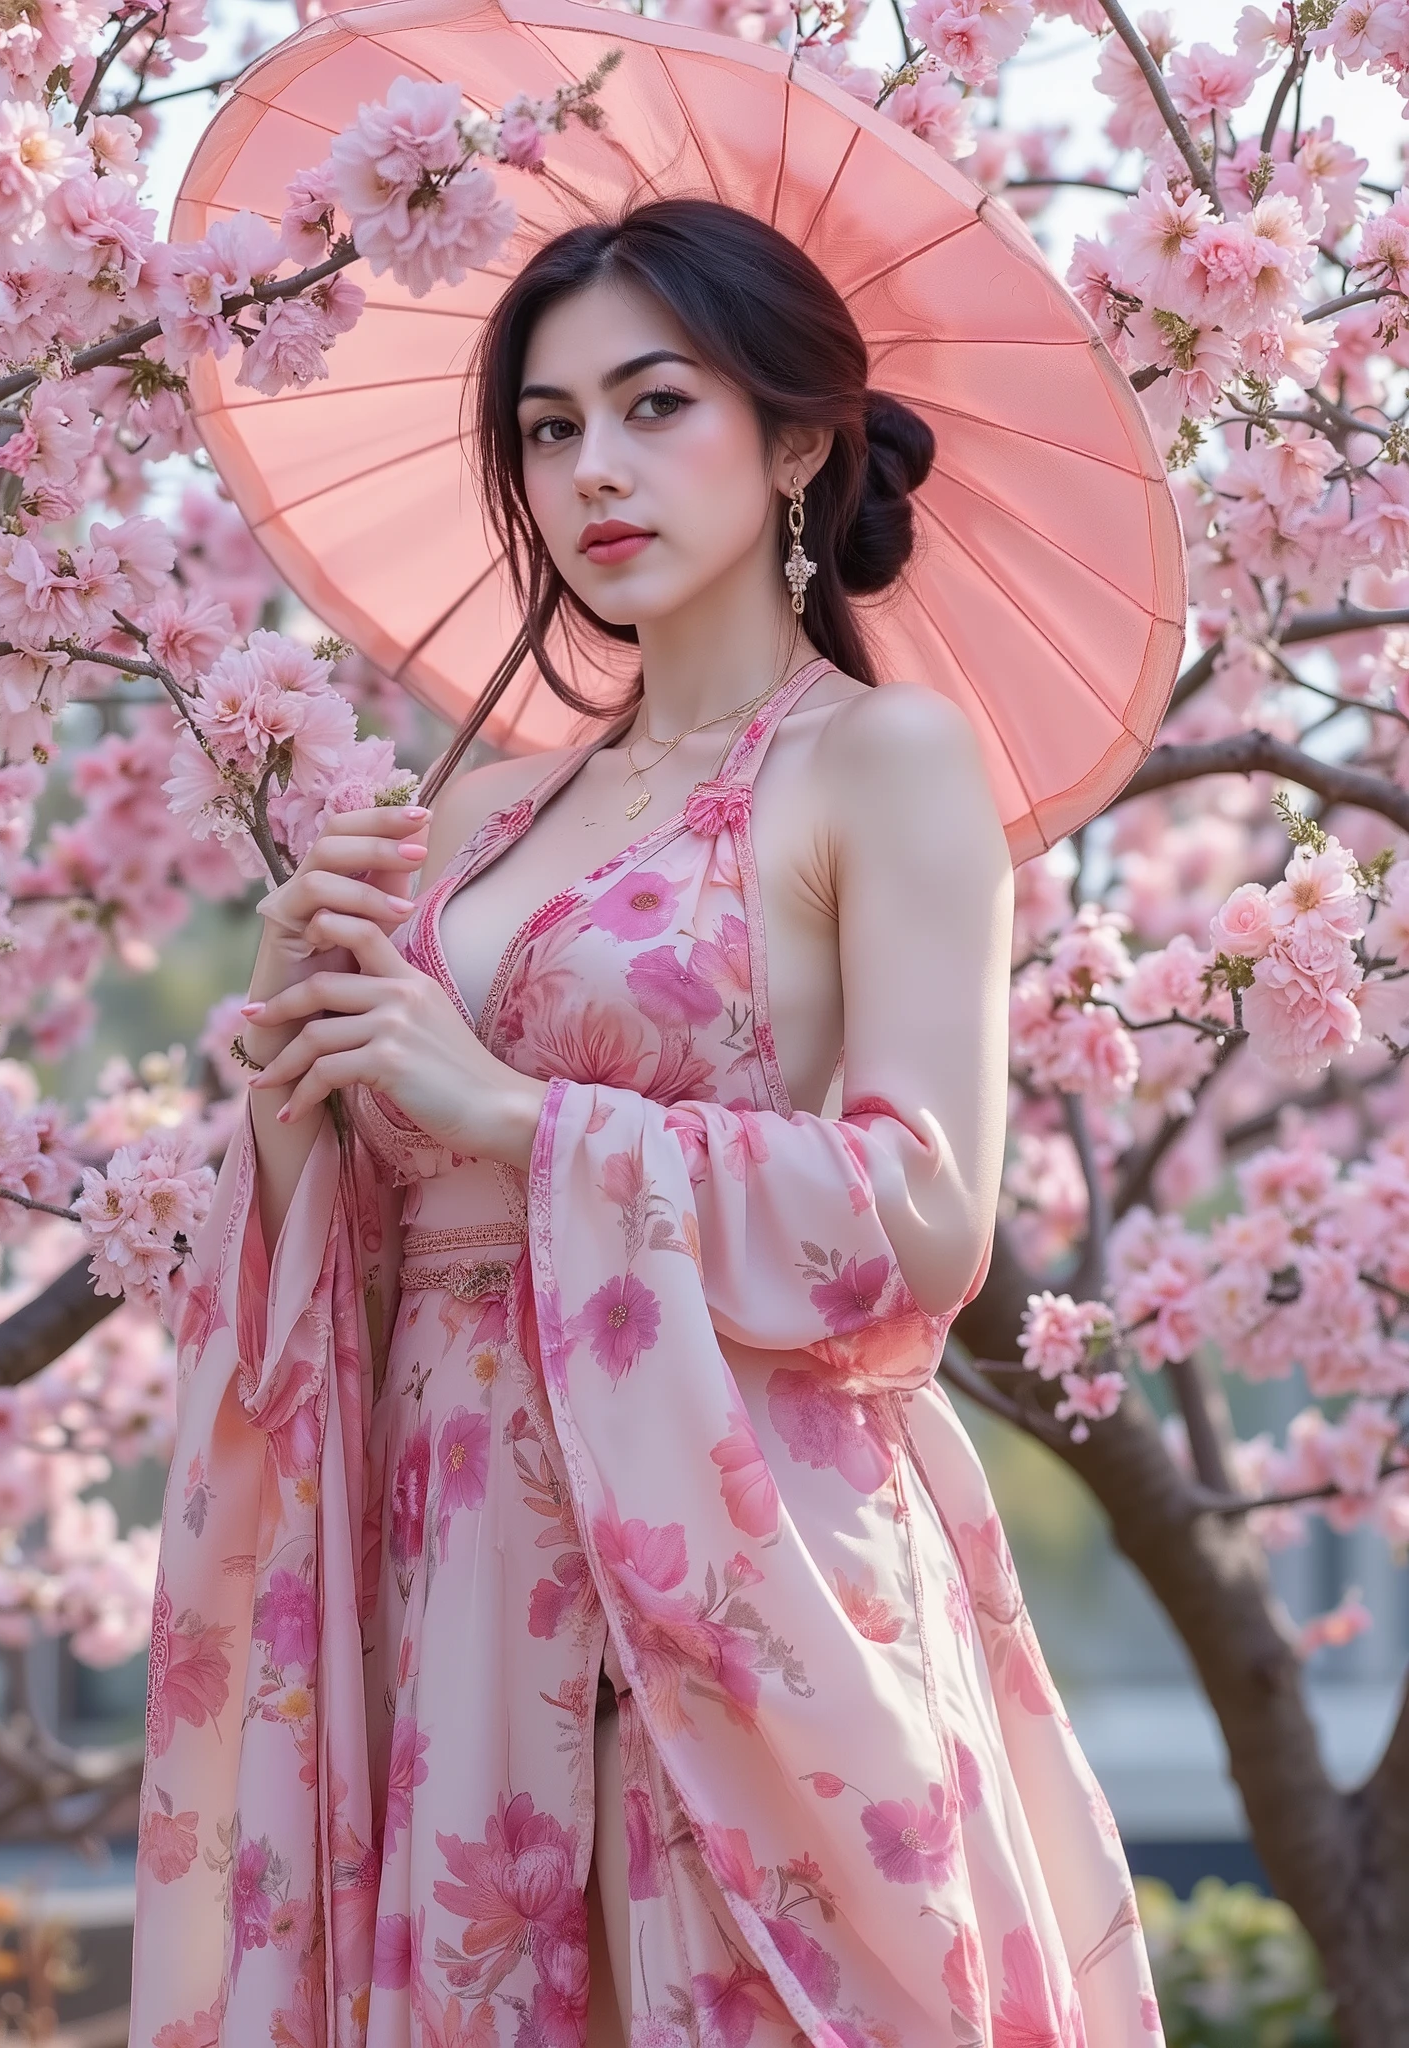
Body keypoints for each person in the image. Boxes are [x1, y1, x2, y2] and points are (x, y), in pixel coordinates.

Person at [130, 200, 1159, 2048]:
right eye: (546, 425)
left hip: (737, 1540)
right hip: (462, 1553)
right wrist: (301, 1076)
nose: (591, 468)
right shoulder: (471, 823)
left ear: (792, 439)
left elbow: (926, 1219)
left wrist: (524, 1118)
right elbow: (362, 1224)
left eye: (651, 404)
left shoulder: (883, 764)